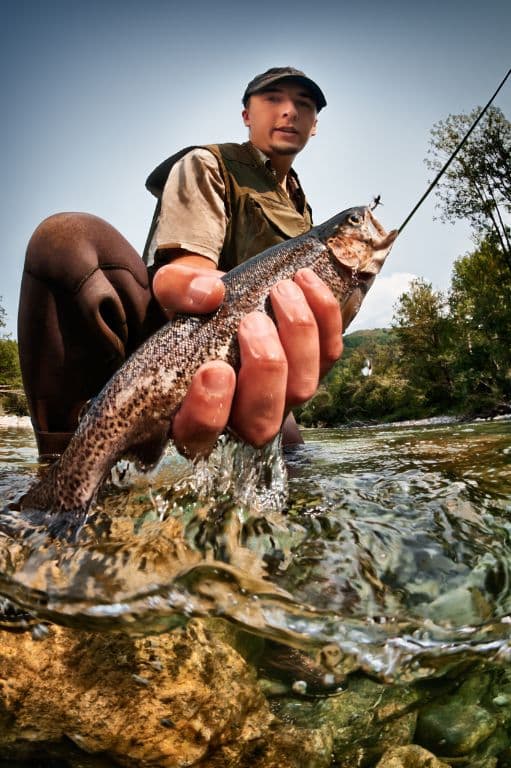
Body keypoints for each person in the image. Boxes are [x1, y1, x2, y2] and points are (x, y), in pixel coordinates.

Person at [18, 67, 342, 461]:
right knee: (66, 239)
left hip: (247, 367)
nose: (289, 112)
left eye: (303, 105)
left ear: (315, 126)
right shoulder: (206, 163)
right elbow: (193, 278)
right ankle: (64, 467)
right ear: (246, 115)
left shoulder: (302, 208)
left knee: (297, 469)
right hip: (168, 343)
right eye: (273, 100)